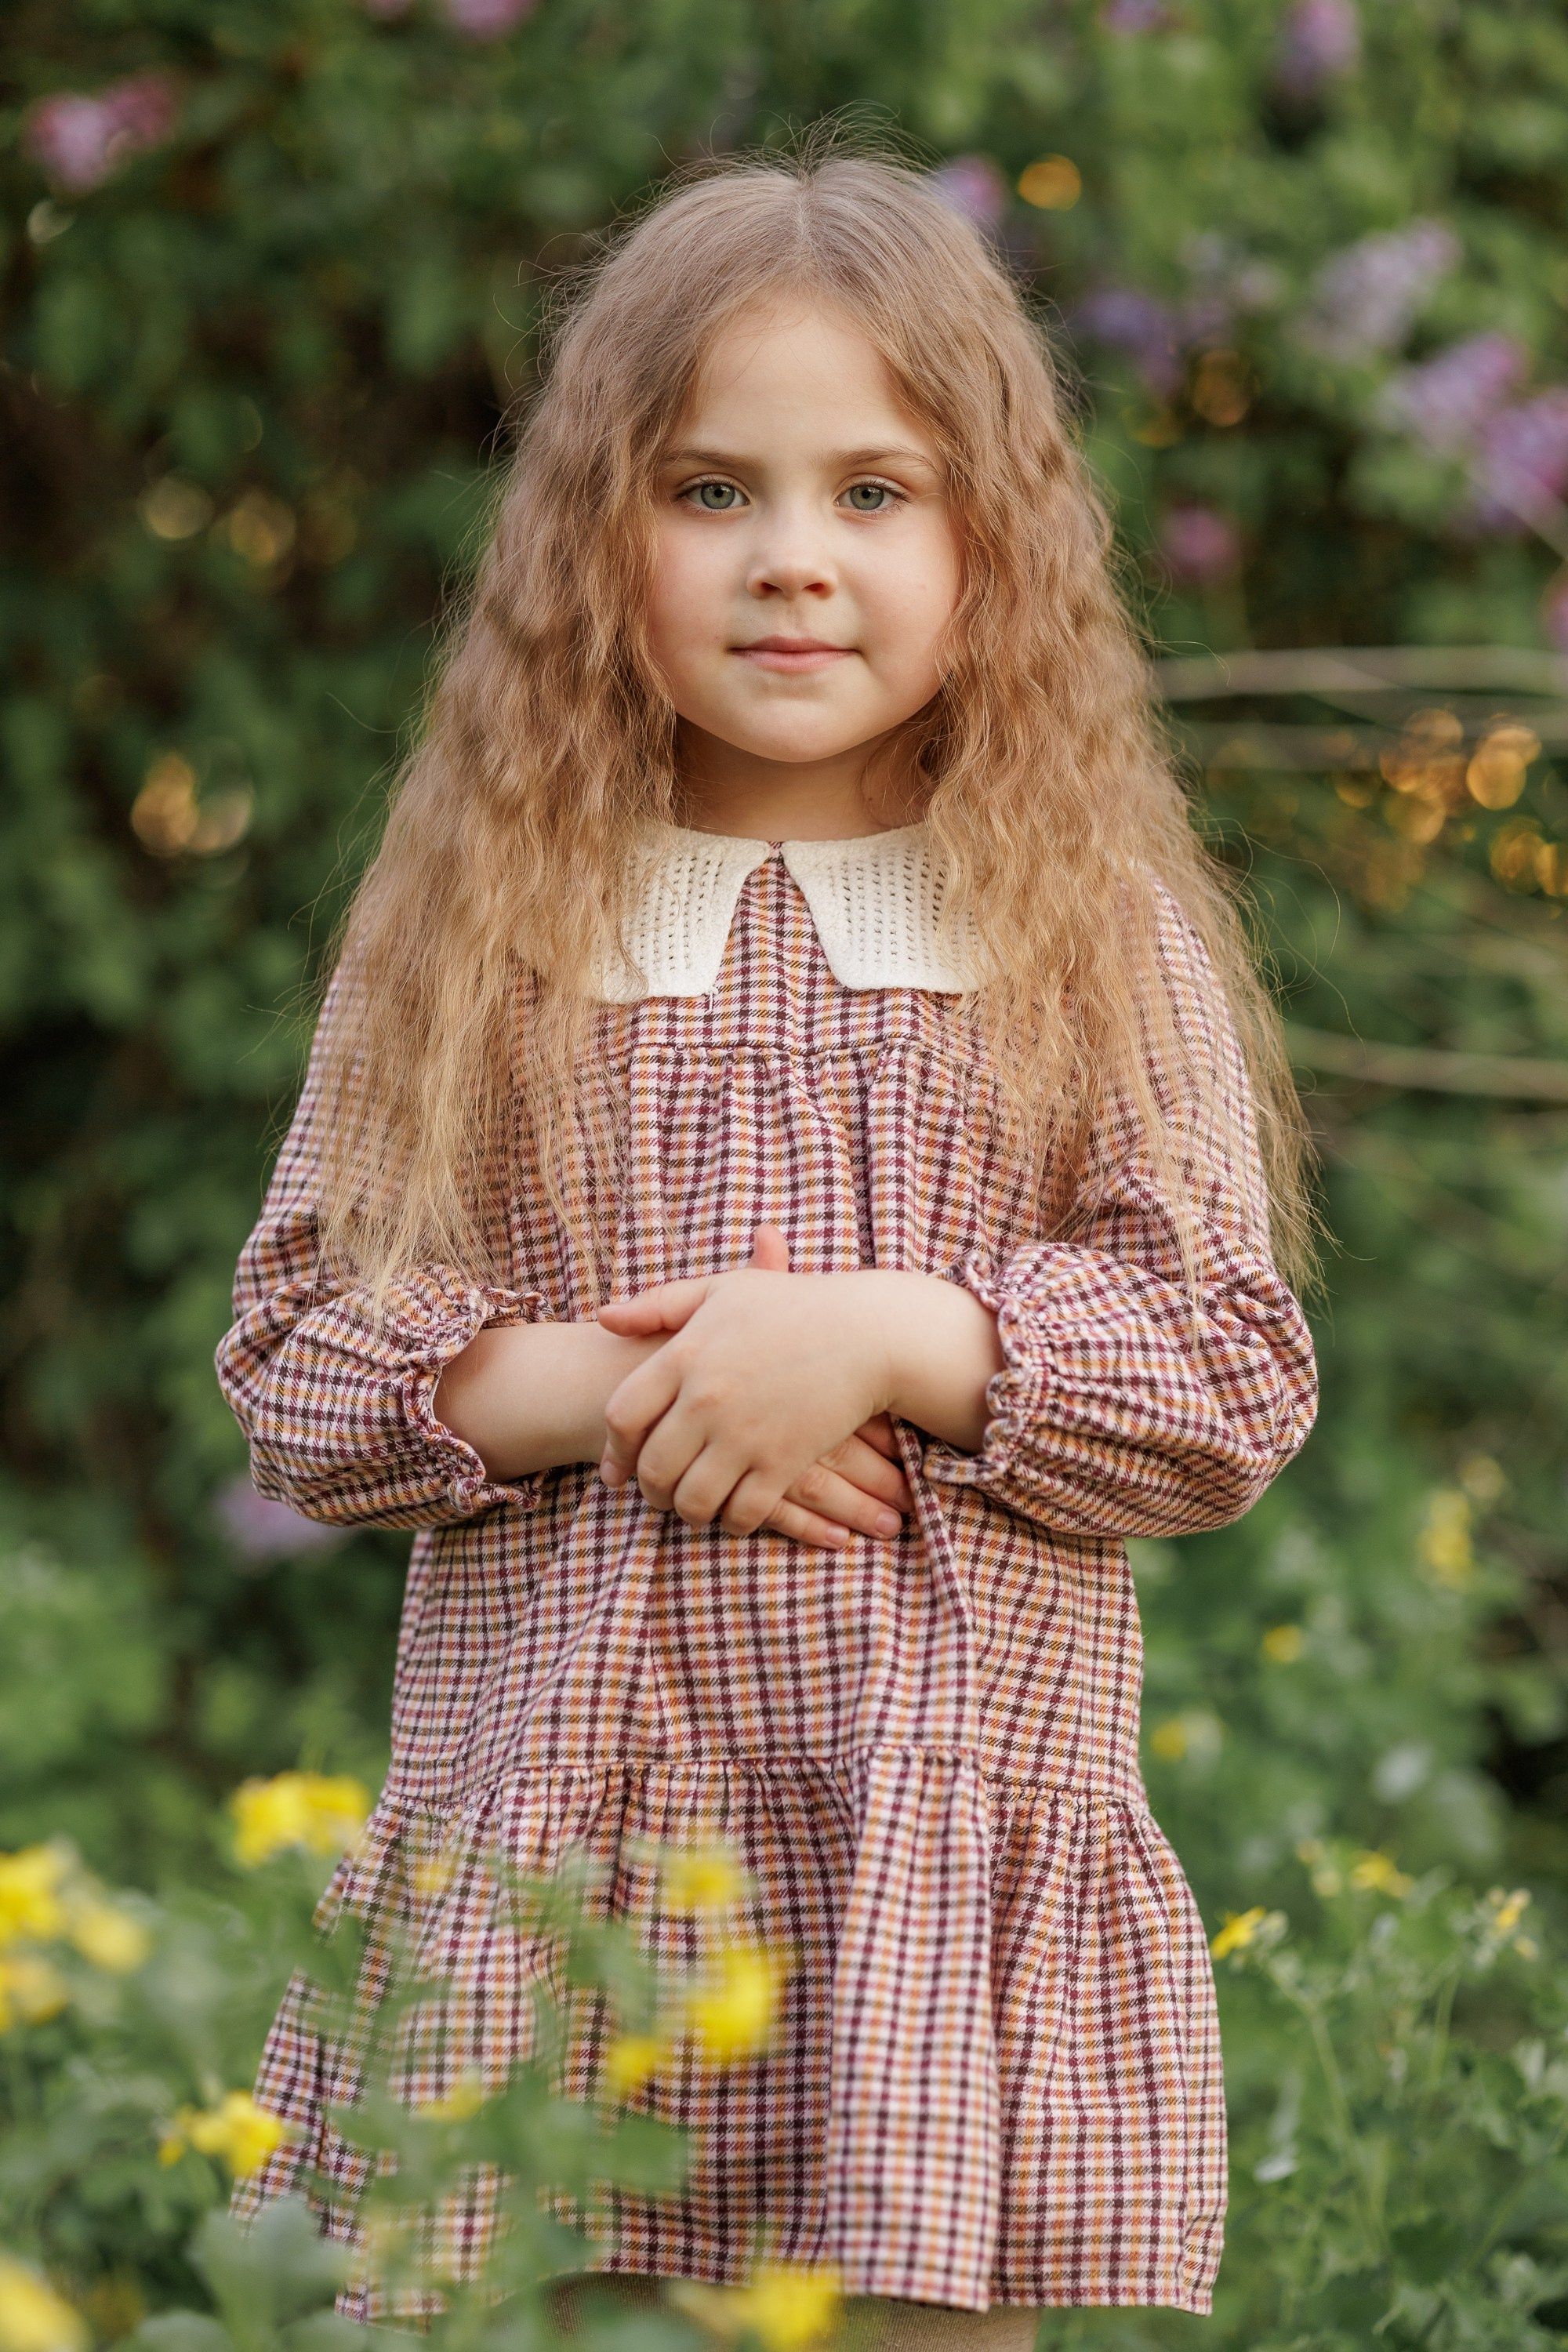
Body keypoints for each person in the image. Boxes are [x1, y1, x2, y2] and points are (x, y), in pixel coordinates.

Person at [216, 151, 1318, 2343]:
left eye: (875, 493)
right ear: (588, 543)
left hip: (913, 1896)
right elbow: (298, 1352)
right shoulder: (480, 929)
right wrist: (624, 1393)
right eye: (712, 491)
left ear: (993, 542)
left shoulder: (1082, 930)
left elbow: (1224, 1370)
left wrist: (897, 1338)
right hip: (545, 1909)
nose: (794, 561)